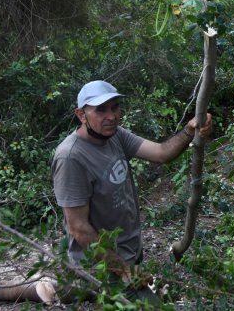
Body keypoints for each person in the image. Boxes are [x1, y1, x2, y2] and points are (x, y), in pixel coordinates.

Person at [51, 80, 212, 303]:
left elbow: (161, 153)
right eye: (101, 109)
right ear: (81, 114)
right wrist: (125, 270)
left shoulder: (115, 135)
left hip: (127, 253)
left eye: (115, 107)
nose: (111, 116)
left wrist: (189, 130)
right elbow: (78, 228)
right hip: (100, 268)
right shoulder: (71, 157)